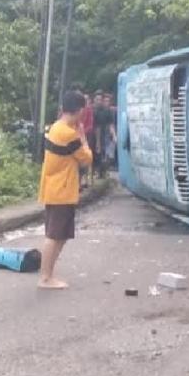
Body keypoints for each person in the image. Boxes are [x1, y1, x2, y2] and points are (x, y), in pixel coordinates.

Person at [37, 90, 93, 289]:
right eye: (83, 111)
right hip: (61, 190)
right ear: (78, 111)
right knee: (54, 235)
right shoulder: (69, 134)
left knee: (59, 235)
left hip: (55, 188)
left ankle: (48, 274)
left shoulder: (55, 127)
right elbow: (86, 159)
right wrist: (84, 139)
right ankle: (45, 277)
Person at [92, 92, 115, 178]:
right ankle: (95, 174)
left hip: (102, 136)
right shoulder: (91, 110)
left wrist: (114, 135)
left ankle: (102, 173)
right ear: (94, 100)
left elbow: (110, 124)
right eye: (97, 99)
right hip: (91, 136)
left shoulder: (106, 111)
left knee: (102, 155)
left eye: (100, 100)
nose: (99, 101)